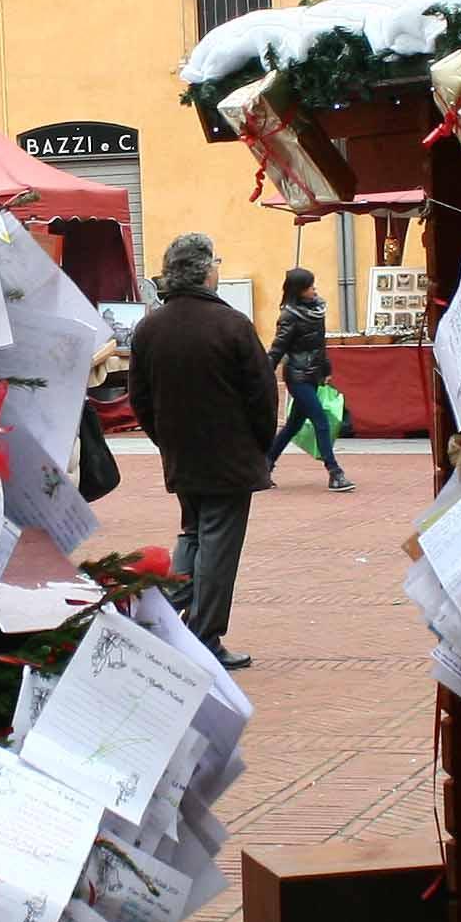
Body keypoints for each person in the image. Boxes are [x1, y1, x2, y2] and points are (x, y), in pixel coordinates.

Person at [123, 230, 270, 668]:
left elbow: (139, 397)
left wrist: (163, 437)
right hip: (229, 456)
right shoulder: (232, 325)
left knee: (192, 533)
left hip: (181, 453)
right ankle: (203, 637)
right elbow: (262, 396)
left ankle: (163, 617)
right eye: (216, 263)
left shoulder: (150, 328)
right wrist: (258, 446)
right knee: (219, 548)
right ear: (206, 271)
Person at [265, 266, 353, 492]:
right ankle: (335, 472)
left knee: (293, 425)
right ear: (299, 290)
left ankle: (265, 465)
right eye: (309, 286)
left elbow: (319, 344)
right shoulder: (289, 316)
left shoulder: (317, 310)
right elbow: (278, 347)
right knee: (320, 420)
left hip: (313, 374)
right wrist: (265, 372)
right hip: (297, 376)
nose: (314, 289)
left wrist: (326, 369)